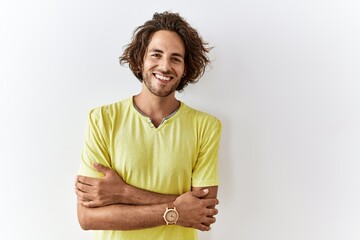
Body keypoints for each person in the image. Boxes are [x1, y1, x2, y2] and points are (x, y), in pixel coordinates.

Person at [75, 11, 222, 240]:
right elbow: (88, 218)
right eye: (156, 54)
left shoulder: (206, 127)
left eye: (175, 58)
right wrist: (176, 211)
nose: (165, 66)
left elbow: (202, 212)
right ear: (141, 58)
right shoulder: (102, 119)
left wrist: (123, 192)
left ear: (185, 68)